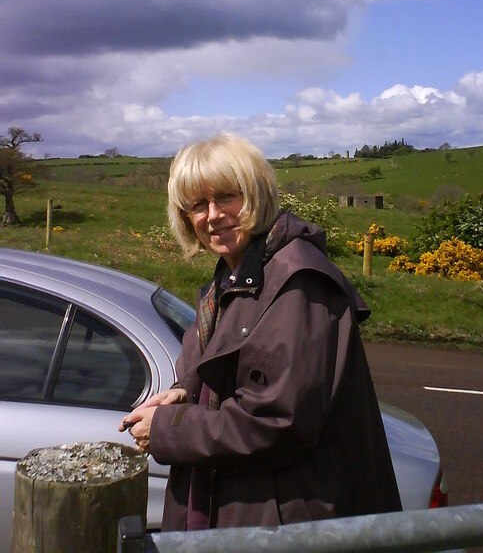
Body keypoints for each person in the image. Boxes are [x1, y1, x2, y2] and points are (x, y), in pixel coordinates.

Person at [120, 132, 401, 531]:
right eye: (198, 204)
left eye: (226, 197)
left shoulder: (296, 283)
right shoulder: (232, 280)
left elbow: (277, 420)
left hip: (290, 527)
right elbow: (230, 366)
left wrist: (169, 431)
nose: (212, 215)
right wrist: (187, 389)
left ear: (256, 195)